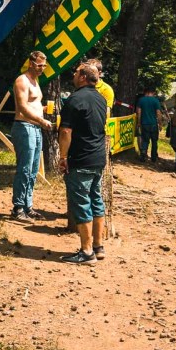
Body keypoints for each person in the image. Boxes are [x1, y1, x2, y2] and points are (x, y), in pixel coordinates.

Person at [58, 61, 110, 265]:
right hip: (98, 158)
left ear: (82, 77)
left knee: (81, 204)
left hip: (80, 159)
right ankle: (99, 246)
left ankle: (86, 252)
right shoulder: (101, 99)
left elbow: (65, 131)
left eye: (76, 72)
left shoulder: (74, 99)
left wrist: (63, 157)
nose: (73, 74)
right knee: (96, 200)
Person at [10, 51, 53, 223]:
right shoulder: (22, 80)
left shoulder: (36, 81)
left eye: (44, 65)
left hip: (35, 127)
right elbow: (22, 107)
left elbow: (32, 104)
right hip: (24, 126)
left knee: (34, 169)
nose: (42, 68)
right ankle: (18, 207)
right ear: (31, 64)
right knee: (25, 168)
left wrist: (42, 110)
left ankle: (28, 205)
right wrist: (41, 120)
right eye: (39, 65)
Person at [136, 88, 163, 163]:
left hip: (144, 124)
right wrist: (160, 124)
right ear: (152, 92)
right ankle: (153, 158)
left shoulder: (141, 100)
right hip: (153, 124)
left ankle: (143, 154)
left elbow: (138, 112)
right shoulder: (156, 101)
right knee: (154, 141)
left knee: (145, 140)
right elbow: (158, 113)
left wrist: (138, 122)